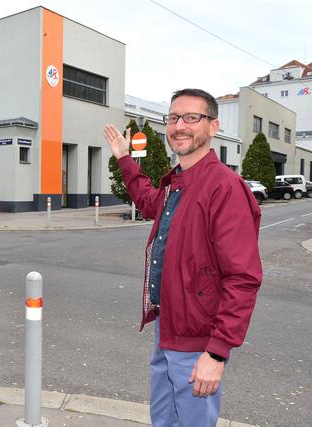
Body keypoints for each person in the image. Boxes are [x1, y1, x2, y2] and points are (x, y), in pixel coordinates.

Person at [104, 88, 262, 427]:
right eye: (174, 118)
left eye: (192, 117)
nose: (180, 126)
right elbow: (148, 201)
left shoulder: (224, 187)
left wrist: (217, 352)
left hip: (197, 339)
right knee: (164, 420)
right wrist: (123, 157)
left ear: (213, 126)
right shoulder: (178, 183)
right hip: (168, 327)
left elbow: (243, 278)